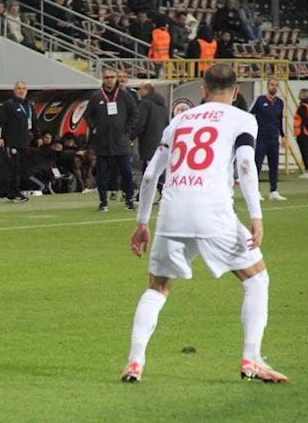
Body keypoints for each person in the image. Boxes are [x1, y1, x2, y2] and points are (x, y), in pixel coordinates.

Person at [121, 63, 287, 384]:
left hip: (171, 213)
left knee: (157, 288)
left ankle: (135, 362)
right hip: (213, 212)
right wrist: (256, 215)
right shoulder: (242, 118)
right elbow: (244, 163)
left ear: (203, 91)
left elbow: (151, 174)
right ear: (236, 91)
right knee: (256, 280)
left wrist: (142, 222)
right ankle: (251, 358)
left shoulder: (179, 120)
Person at [83, 68, 139, 212]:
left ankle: (129, 200)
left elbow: (134, 113)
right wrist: (95, 129)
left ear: (116, 78)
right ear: (103, 78)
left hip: (122, 142)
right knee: (102, 174)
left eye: (112, 77)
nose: (109, 80)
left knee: (126, 172)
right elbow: (87, 115)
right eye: (107, 77)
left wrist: (126, 129)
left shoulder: (124, 95)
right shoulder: (96, 96)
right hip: (103, 143)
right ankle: (103, 202)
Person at [0, 82, 35, 203]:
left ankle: (13, 193)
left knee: (21, 168)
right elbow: (1, 123)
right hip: (12, 141)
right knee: (14, 167)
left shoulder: (29, 105)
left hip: (24, 142)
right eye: (19, 88)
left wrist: (38, 137)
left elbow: (34, 123)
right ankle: (15, 192)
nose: (21, 91)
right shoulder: (9, 104)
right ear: (14, 90)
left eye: (23, 88)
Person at [249, 79, 287, 201]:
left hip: (273, 138)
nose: (274, 87)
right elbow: (250, 114)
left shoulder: (280, 102)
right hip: (261, 137)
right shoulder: (260, 100)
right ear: (267, 86)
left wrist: (283, 136)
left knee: (274, 165)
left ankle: (273, 191)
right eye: (272, 85)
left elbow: (279, 120)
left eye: (276, 85)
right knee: (257, 164)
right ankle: (255, 191)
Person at [130, 82, 168, 195]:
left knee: (152, 169)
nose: (139, 92)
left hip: (149, 141)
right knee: (155, 168)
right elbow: (167, 123)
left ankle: (164, 193)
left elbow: (140, 123)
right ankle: (145, 195)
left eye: (140, 89)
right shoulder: (162, 105)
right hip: (160, 141)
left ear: (146, 90)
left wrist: (131, 136)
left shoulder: (145, 104)